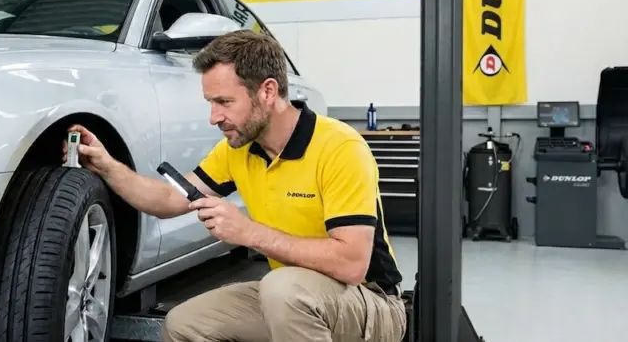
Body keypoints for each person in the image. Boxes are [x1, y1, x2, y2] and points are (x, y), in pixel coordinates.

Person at [63, 29, 406, 342]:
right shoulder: (237, 150)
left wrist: (247, 232)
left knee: (283, 289)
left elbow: (351, 264)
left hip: (369, 302)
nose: (214, 117)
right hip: (293, 293)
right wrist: (107, 167)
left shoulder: (340, 148)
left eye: (224, 102)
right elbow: (169, 198)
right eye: (210, 103)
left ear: (268, 91)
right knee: (185, 325)